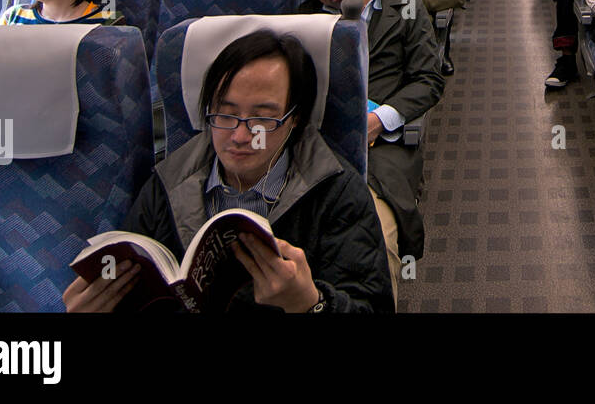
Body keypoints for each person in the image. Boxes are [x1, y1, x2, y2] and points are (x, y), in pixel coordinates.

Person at [63, 30, 393, 312]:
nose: (239, 136)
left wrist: (312, 303)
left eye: (262, 118)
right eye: (225, 114)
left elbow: (371, 305)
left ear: (295, 119)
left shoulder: (336, 193)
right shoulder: (167, 184)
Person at [283, 0, 445, 293]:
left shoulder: (405, 5)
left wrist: (379, 120)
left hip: (381, 148)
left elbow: (428, 79)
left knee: (373, 240)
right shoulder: (303, 22)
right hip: (315, 145)